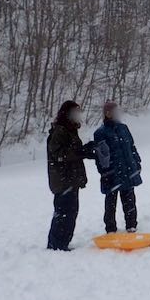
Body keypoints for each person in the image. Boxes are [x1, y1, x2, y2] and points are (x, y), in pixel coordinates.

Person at [46, 101, 96, 251]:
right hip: (63, 180)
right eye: (75, 112)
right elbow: (58, 154)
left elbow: (73, 151)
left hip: (71, 179)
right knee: (63, 213)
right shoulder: (59, 131)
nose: (78, 115)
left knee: (71, 212)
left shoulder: (70, 130)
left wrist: (86, 150)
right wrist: (80, 152)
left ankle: (63, 243)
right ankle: (56, 244)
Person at [94, 101, 142, 234]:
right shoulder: (100, 133)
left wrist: (137, 162)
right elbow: (100, 156)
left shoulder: (124, 128)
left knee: (129, 199)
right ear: (107, 114)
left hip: (128, 170)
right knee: (111, 201)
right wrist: (104, 172)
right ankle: (110, 228)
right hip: (112, 173)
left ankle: (131, 225)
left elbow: (132, 147)